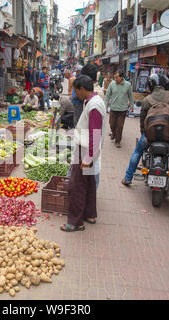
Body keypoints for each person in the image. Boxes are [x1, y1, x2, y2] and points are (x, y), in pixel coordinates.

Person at [122, 73, 169, 194]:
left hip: (150, 137)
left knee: (137, 152)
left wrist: (144, 134)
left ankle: (128, 178)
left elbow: (142, 122)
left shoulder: (147, 100)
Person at [60, 75, 107, 232]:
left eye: (75, 91)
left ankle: (75, 222)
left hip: (86, 150)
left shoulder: (94, 106)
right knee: (89, 183)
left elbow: (95, 133)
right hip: (88, 148)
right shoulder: (93, 101)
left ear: (82, 89)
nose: (75, 95)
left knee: (77, 185)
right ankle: (90, 214)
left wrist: (88, 157)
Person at [105, 70, 134, 148]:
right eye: (115, 77)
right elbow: (107, 95)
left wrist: (132, 105)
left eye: (117, 77)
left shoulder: (128, 85)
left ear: (121, 77)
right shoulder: (112, 84)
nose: (115, 79)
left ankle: (118, 141)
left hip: (123, 109)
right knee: (112, 124)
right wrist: (105, 105)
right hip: (113, 108)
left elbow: (130, 96)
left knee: (120, 126)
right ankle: (113, 133)